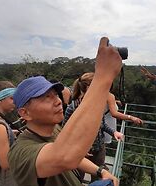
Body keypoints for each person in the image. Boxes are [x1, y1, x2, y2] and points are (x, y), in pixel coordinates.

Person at [8, 37, 122, 186]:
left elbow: (73, 154)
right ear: (24, 113)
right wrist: (103, 77)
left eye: (56, 94)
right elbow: (63, 156)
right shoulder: (20, 152)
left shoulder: (54, 129)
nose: (57, 101)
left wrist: (100, 171)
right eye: (46, 97)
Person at [63, 72, 124, 182]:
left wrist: (114, 132)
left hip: (98, 148)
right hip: (79, 152)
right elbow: (64, 133)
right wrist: (76, 148)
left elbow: (102, 125)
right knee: (77, 178)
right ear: (87, 88)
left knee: (98, 178)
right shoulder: (72, 108)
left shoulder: (97, 105)